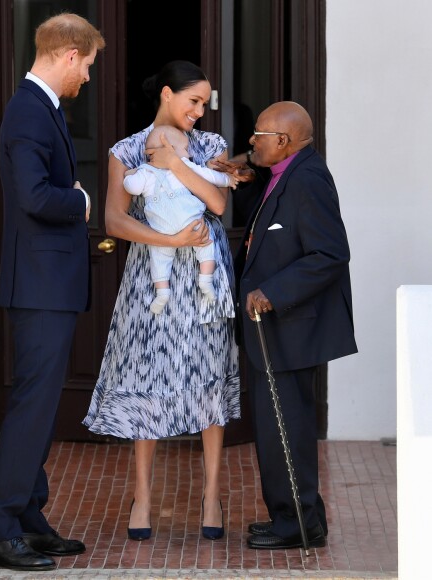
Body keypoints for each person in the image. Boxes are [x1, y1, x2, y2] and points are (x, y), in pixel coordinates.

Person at [83, 60, 253, 542]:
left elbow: (219, 205)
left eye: (205, 102)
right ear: (165, 94)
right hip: (152, 275)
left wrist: (177, 164)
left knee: (208, 376)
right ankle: (142, 496)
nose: (200, 110)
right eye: (193, 100)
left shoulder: (211, 146)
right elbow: (114, 221)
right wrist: (172, 241)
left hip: (204, 274)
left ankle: (213, 494)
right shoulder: (126, 150)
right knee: (147, 376)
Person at [0, 14, 105, 572]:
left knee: (42, 405)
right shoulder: (30, 109)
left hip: (46, 283)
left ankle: (28, 517)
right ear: (71, 55)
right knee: (32, 408)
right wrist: (79, 203)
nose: (88, 80)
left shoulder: (42, 109)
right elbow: (33, 196)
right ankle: (0, 530)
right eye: (89, 67)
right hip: (39, 285)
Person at [234, 101, 357, 550]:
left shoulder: (307, 180)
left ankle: (300, 525)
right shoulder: (284, 171)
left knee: (287, 427)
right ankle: (291, 517)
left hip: (290, 326)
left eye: (258, 134)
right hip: (276, 331)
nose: (251, 140)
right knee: (274, 426)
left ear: (282, 141)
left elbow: (330, 254)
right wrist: (244, 168)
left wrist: (274, 291)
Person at [123, 124, 240, 313]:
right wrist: (228, 180)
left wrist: (129, 175)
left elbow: (132, 188)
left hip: (161, 229)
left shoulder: (144, 172)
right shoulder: (185, 165)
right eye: (185, 149)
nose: (190, 154)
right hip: (190, 221)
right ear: (169, 148)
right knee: (206, 243)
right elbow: (210, 176)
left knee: (159, 259)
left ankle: (162, 293)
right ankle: (206, 279)